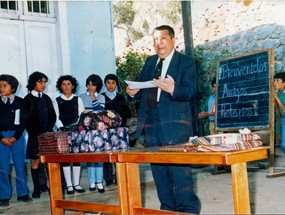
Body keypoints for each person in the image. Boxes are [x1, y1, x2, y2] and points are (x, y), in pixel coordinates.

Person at [126, 25, 201, 214]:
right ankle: (167, 209)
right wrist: (132, 93)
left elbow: (191, 91)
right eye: (155, 40)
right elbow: (142, 90)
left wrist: (173, 89)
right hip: (151, 123)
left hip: (176, 125)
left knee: (179, 172)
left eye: (163, 38)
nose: (158, 44)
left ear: (173, 39)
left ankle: (188, 210)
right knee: (159, 172)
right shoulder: (150, 62)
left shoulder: (186, 62)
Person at [0, 74, 32, 210]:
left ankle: (23, 193)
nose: (1, 88)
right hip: (1, 137)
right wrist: (1, 138)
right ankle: (4, 196)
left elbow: (23, 121)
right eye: (0, 86)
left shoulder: (20, 101)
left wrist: (15, 137)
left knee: (20, 165)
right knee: (3, 167)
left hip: (16, 137)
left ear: (12, 88)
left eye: (4, 86)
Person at [24, 71, 56, 198]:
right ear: (33, 83)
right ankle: (36, 188)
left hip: (46, 135)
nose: (43, 85)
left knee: (48, 161)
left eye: (44, 82)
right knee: (36, 161)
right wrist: (35, 132)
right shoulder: (28, 99)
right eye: (40, 82)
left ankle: (47, 185)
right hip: (35, 135)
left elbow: (52, 116)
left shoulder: (46, 98)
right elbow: (26, 119)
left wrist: (48, 130)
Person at [53, 75, 86, 195]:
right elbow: (56, 117)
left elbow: (82, 115)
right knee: (66, 158)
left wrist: (76, 128)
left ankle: (76, 183)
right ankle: (69, 185)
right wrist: (63, 128)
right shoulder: (57, 100)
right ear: (60, 86)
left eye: (68, 84)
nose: (66, 87)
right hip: (63, 132)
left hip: (76, 131)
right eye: (63, 84)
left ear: (73, 86)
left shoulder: (78, 99)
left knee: (76, 158)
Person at [102, 73, 131, 186]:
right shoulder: (101, 97)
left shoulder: (120, 97)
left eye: (113, 83)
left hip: (119, 130)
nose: (110, 85)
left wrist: (121, 125)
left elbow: (126, 113)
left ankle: (119, 177)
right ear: (105, 84)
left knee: (118, 154)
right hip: (105, 130)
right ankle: (108, 178)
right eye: (108, 83)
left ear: (116, 85)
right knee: (107, 154)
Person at [79, 74, 105, 193]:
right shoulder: (81, 96)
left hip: (99, 130)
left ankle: (99, 181)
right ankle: (91, 181)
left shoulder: (101, 97)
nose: (91, 87)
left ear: (98, 86)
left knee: (99, 155)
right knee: (90, 155)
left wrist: (94, 97)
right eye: (89, 84)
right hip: (87, 130)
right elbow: (81, 114)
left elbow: (99, 111)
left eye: (93, 85)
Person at [272, 72, 285, 153]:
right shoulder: (277, 93)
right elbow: (277, 108)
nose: (274, 82)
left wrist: (277, 98)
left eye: (277, 80)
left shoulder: (277, 95)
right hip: (282, 119)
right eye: (274, 80)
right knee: (283, 146)